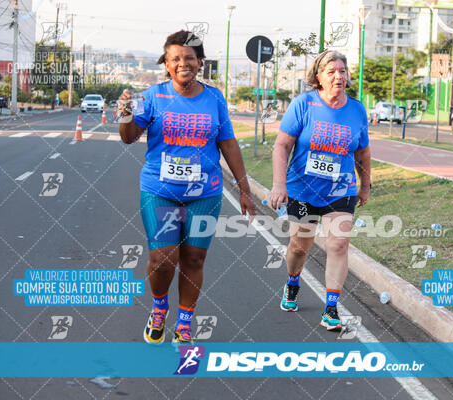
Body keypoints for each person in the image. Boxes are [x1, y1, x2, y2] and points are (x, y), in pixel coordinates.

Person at [118, 30, 255, 345]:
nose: (183, 64)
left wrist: (244, 188)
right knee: (163, 259)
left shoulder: (214, 98)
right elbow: (128, 137)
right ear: (166, 64)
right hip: (160, 190)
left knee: (194, 258)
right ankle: (159, 306)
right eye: (175, 59)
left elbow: (229, 144)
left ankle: (184, 321)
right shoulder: (152, 96)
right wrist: (126, 111)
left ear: (200, 62)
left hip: (204, 193)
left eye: (189, 58)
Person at [270, 50, 371, 331]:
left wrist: (365, 186)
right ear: (318, 78)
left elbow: (363, 152)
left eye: (342, 70)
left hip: (341, 189)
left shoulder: (357, 109)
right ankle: (292, 281)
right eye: (331, 72)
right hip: (302, 189)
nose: (339, 76)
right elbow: (282, 146)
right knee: (299, 247)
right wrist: (279, 184)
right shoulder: (303, 104)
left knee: (338, 244)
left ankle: (331, 308)